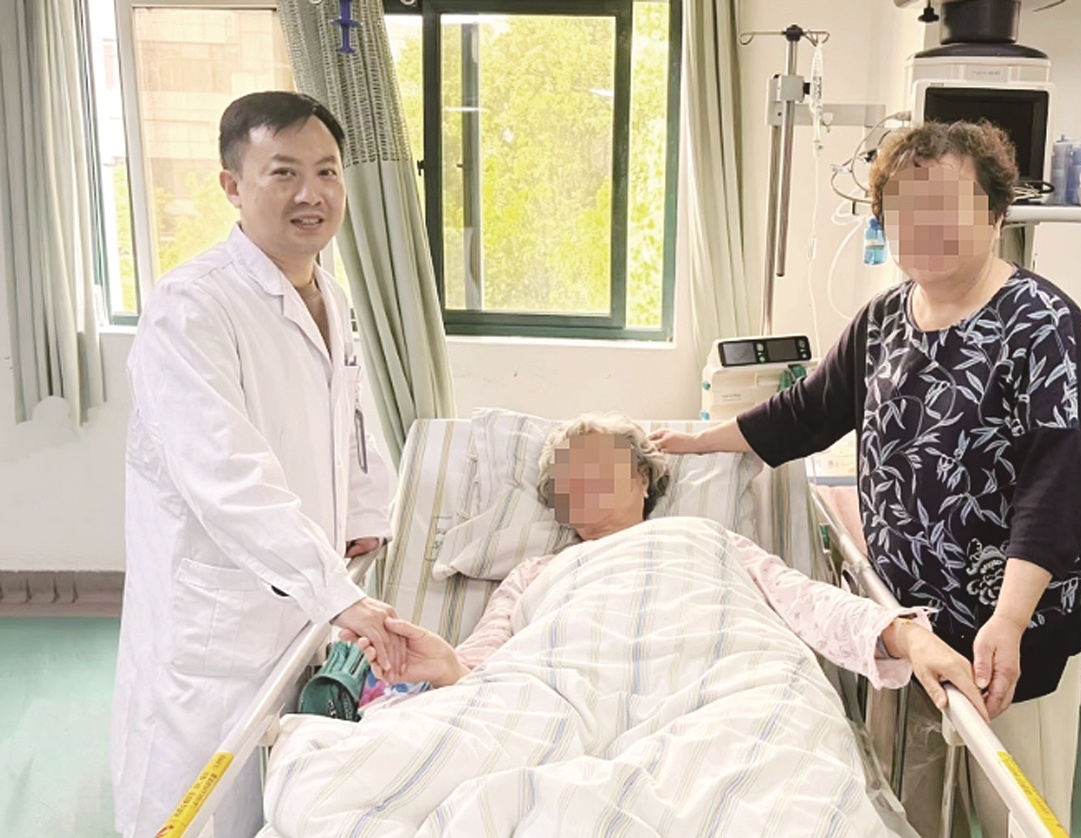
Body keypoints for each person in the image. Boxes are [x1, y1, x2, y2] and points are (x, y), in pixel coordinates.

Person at [650, 121, 1081, 835]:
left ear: (995, 213)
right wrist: (700, 439)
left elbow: (1061, 484)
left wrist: (1011, 620)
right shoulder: (886, 318)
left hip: (1017, 627)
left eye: (947, 205)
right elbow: (809, 411)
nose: (924, 226)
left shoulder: (1042, 324)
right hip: (911, 620)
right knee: (918, 802)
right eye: (904, 210)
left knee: (1011, 811)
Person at [111, 91, 403, 838]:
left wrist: (365, 515)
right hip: (219, 610)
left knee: (274, 794)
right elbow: (227, 476)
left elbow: (352, 423)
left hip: (298, 591)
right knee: (190, 801)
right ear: (232, 185)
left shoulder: (328, 292)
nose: (312, 194)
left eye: (327, 171)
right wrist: (332, 590)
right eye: (284, 172)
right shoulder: (192, 308)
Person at [344, 413, 989, 723]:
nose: (581, 477)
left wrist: (905, 634)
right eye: (567, 473)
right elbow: (485, 662)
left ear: (643, 477)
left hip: (728, 697)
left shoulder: (708, 537)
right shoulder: (536, 573)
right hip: (562, 699)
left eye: (597, 461)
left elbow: (806, 603)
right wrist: (448, 668)